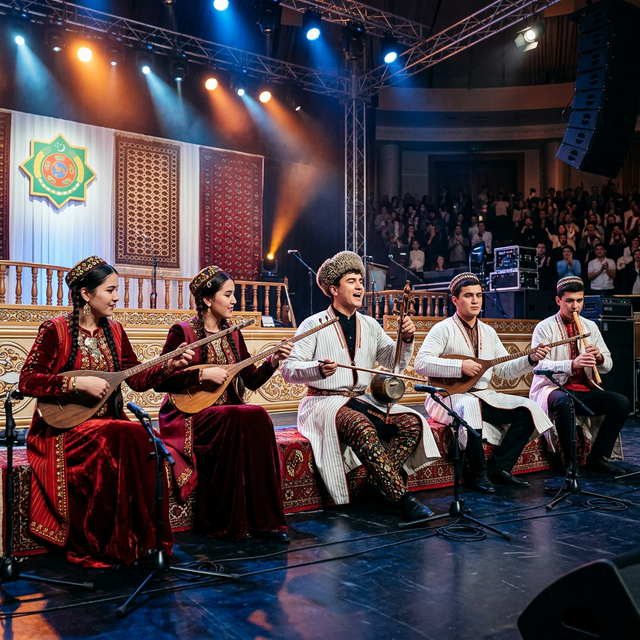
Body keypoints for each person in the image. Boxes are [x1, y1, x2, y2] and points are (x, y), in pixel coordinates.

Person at [18, 256, 194, 567]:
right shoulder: (55, 329)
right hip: (63, 430)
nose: (116, 297)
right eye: (110, 290)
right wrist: (75, 384)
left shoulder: (114, 330)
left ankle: (142, 542)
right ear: (86, 294)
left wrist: (169, 366)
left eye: (117, 290)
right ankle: (107, 544)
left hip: (109, 427)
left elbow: (136, 378)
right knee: (122, 434)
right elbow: (28, 380)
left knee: (142, 438)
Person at [280, 251, 440, 522]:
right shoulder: (313, 324)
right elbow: (288, 369)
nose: (359, 287)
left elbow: (395, 362)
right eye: (351, 281)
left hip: (360, 399)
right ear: (334, 289)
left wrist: (406, 339)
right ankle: (403, 498)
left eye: (361, 281)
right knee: (361, 426)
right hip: (323, 403)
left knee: (412, 423)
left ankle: (376, 485)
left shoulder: (370, 325)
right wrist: (317, 369)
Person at [155, 266, 292, 543]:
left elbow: (251, 380)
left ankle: (266, 520)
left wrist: (273, 361)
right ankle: (223, 522)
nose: (234, 301)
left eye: (234, 295)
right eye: (228, 295)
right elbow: (161, 379)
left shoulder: (233, 334)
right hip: (191, 415)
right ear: (208, 299)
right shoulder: (182, 332)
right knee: (236, 418)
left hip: (227, 415)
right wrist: (201, 375)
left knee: (258, 415)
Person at [414, 272, 553, 493]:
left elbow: (505, 370)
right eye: (468, 295)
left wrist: (531, 358)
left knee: (528, 409)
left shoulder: (488, 332)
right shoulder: (443, 329)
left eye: (478, 295)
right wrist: (460, 366)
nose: (475, 300)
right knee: (469, 406)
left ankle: (500, 467)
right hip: (447, 396)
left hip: (482, 395)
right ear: (455, 300)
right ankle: (479, 474)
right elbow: (421, 363)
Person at [529, 276, 630, 474]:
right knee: (564, 402)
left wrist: (599, 357)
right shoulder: (545, 327)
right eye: (569, 301)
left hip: (583, 390)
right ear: (558, 301)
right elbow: (539, 365)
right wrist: (572, 364)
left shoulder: (590, 326)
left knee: (621, 403)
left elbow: (608, 364)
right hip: (552, 388)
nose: (575, 306)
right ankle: (570, 462)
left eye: (579, 300)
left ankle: (597, 458)